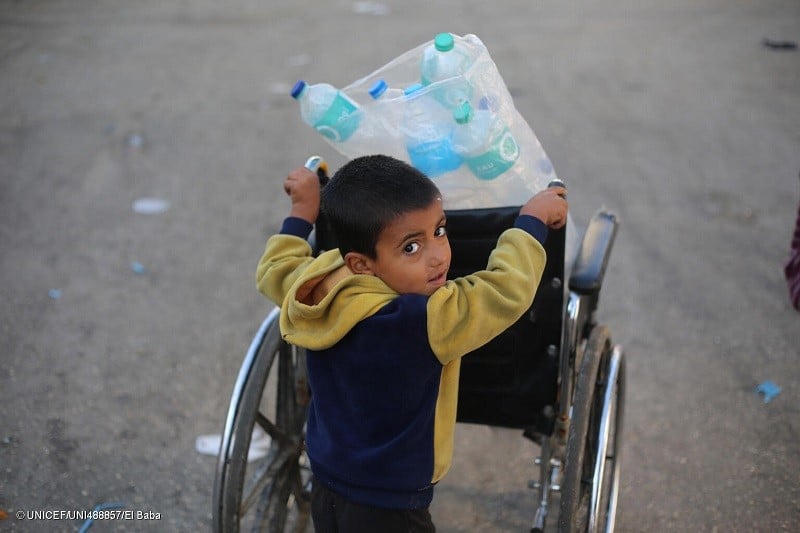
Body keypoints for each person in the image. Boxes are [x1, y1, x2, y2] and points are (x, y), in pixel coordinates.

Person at [256, 155, 567, 532]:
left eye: (439, 230)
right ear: (362, 264)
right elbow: (504, 291)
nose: (437, 257)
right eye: (410, 248)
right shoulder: (422, 321)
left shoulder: (320, 283)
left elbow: (277, 268)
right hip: (390, 501)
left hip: (326, 478)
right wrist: (529, 221)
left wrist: (302, 212)